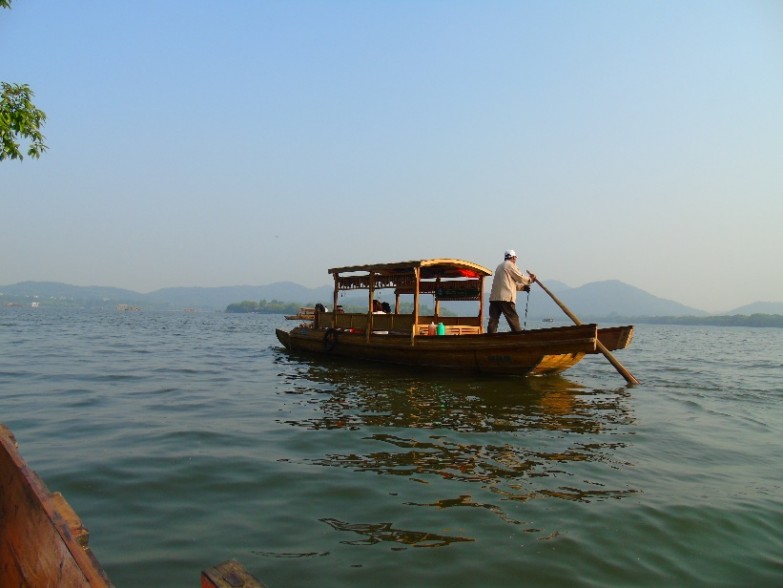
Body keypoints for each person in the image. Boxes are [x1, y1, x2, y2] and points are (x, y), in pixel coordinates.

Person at [487, 249, 536, 333]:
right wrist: (530, 280)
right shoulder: (510, 265)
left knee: (493, 320)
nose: (515, 260)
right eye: (515, 258)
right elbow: (520, 277)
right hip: (506, 298)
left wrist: (524, 288)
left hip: (494, 298)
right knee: (513, 318)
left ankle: (489, 338)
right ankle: (518, 336)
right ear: (513, 257)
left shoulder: (500, 266)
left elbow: (510, 284)